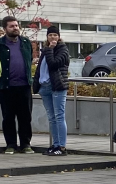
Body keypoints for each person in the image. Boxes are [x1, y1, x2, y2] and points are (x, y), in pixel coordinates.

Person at [0, 16, 34, 154]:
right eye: (11, 26)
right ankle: (11, 144)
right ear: (5, 29)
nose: (15, 28)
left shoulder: (25, 42)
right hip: (6, 87)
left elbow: (29, 59)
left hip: (24, 86)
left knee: (25, 116)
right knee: (8, 117)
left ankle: (25, 144)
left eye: (16, 26)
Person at [34, 25, 71, 156]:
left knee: (59, 116)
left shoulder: (63, 49)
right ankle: (55, 144)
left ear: (59, 36)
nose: (53, 37)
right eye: (50, 35)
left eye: (55, 35)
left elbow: (54, 63)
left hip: (57, 86)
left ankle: (62, 147)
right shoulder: (45, 50)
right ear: (47, 37)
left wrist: (50, 49)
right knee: (51, 118)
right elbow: (40, 68)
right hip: (45, 87)